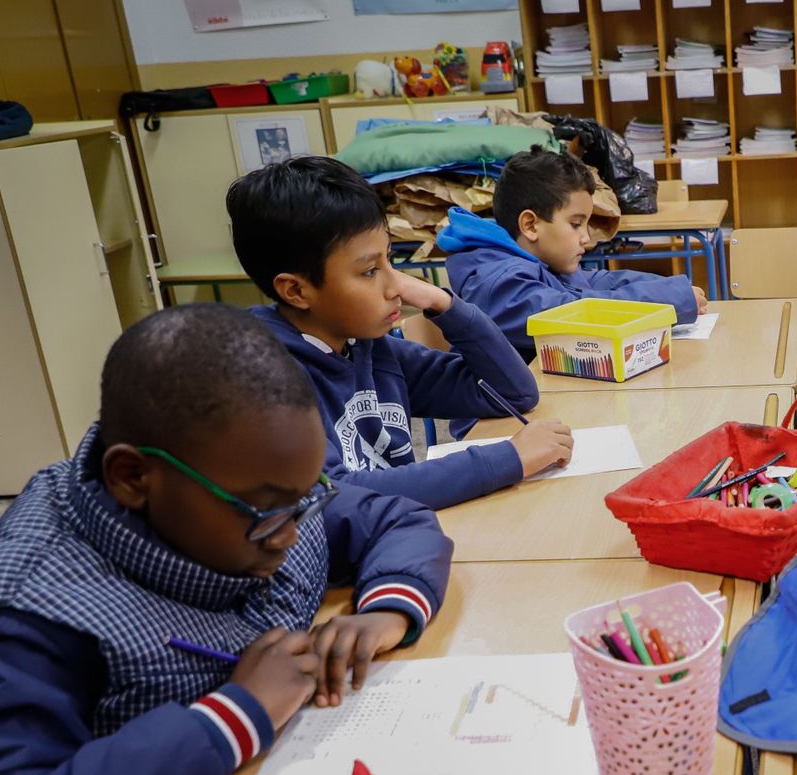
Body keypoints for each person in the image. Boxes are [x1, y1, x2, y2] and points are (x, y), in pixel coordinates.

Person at [0, 305, 454, 775]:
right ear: (132, 477)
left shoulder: (258, 485)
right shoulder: (32, 606)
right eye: (266, 513)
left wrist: (387, 611)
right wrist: (235, 713)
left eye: (304, 501)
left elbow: (397, 519)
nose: (291, 535)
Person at [226, 155, 574, 511]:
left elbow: (512, 393)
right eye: (369, 271)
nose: (395, 286)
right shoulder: (266, 382)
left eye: (389, 260)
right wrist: (507, 459)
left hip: (401, 528)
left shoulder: (367, 347)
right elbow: (334, 499)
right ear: (296, 291)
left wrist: (443, 303)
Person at [439, 149, 705, 364]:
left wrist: (674, 290)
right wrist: (671, 300)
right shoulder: (501, 286)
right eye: (576, 224)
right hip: (503, 413)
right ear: (531, 226)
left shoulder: (540, 262)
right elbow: (578, 315)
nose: (586, 237)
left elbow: (599, 282)